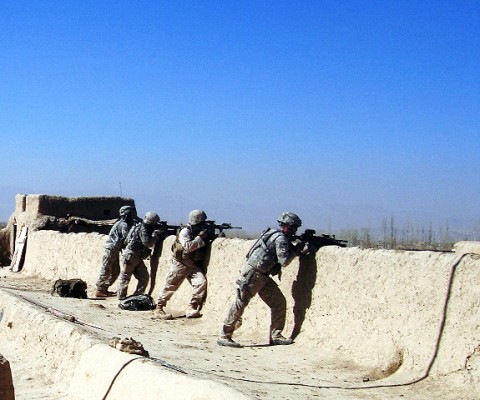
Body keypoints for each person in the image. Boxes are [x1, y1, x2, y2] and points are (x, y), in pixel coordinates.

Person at [217, 212, 306, 348]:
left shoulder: (274, 234)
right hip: (254, 274)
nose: (295, 230)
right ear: (287, 226)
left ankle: (276, 335)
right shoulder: (281, 238)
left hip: (262, 275)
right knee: (240, 302)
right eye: (293, 227)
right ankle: (224, 335)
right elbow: (284, 261)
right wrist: (297, 249)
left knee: (279, 302)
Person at [155, 209, 210, 320]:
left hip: (191, 264)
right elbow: (188, 247)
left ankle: (192, 307)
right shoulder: (185, 232)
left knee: (201, 283)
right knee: (170, 285)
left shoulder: (194, 231)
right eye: (202, 222)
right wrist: (200, 237)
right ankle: (159, 308)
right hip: (180, 264)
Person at [117, 211, 164, 300]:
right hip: (131, 255)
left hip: (136, 257)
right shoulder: (143, 229)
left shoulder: (139, 226)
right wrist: (155, 235)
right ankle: (121, 297)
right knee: (125, 276)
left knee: (144, 277)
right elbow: (148, 243)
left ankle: (137, 296)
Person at [95, 205, 138, 297]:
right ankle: (99, 290)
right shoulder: (123, 225)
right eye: (130, 214)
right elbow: (127, 238)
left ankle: (104, 288)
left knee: (115, 271)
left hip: (115, 249)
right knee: (106, 269)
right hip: (111, 249)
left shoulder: (124, 224)